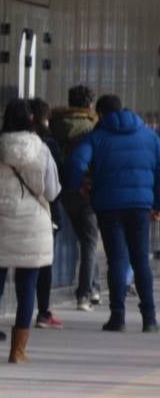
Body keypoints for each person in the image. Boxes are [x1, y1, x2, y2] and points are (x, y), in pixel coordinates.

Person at [0, 100, 61, 362]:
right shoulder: (42, 150)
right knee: (27, 288)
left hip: (1, 222)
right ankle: (17, 351)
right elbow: (53, 191)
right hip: (34, 225)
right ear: (32, 120)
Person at [65, 93, 159, 332]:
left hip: (109, 206)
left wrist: (79, 186)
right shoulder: (149, 136)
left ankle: (118, 316)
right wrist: (157, 203)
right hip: (140, 206)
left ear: (102, 114)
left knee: (117, 259)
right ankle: (149, 318)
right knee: (140, 260)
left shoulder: (97, 137)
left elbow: (76, 163)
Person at [49, 84, 102, 309]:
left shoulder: (55, 125)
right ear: (89, 104)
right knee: (90, 242)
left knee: (86, 239)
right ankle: (84, 293)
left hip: (62, 190)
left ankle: (95, 287)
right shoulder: (93, 127)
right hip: (86, 188)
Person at [26, 98, 64, 329]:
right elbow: (54, 188)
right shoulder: (48, 146)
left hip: (7, 213)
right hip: (44, 214)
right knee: (43, 263)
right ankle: (42, 311)